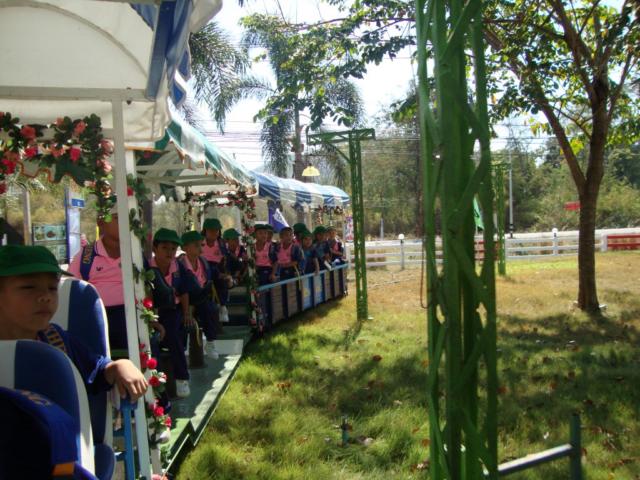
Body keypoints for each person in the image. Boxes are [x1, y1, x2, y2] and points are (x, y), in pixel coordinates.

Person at [0, 245, 148, 401]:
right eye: (28, 287)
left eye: (52, 288)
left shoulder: (57, 340)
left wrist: (119, 366)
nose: (46, 296)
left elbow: (96, 371)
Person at [68, 203, 164, 352]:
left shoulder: (136, 255)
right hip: (96, 318)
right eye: (117, 217)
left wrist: (150, 319)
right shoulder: (85, 257)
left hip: (132, 318)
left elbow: (147, 288)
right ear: (100, 222)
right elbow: (71, 290)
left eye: (128, 219)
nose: (125, 223)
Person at [148, 229, 192, 398]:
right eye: (165, 248)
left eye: (173, 249)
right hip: (153, 312)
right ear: (155, 248)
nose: (169, 252)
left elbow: (184, 292)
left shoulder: (178, 267)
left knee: (173, 334)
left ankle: (182, 377)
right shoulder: (147, 269)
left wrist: (186, 313)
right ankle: (156, 383)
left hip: (173, 310)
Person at [178, 231, 220, 359]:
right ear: (185, 247)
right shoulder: (180, 264)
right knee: (190, 280)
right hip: (185, 298)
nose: (200, 248)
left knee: (211, 308)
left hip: (201, 296)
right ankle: (182, 349)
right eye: (196, 245)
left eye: (201, 245)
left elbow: (209, 277)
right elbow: (181, 287)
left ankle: (210, 342)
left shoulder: (203, 261)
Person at [201, 218, 230, 323]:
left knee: (222, 279)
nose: (214, 233)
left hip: (217, 267)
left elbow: (225, 258)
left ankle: (223, 306)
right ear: (205, 231)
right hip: (202, 266)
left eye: (216, 230)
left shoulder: (221, 243)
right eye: (211, 230)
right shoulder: (200, 242)